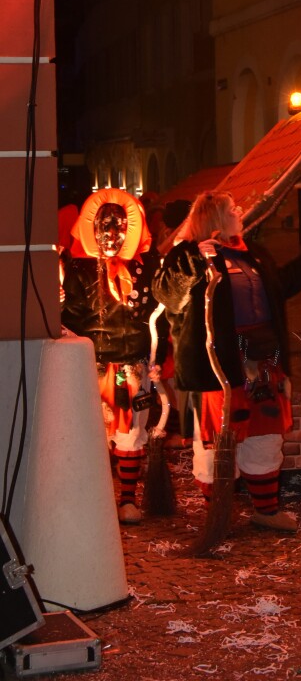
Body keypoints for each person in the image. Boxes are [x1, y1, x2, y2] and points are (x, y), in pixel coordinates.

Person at [151, 190, 301, 532]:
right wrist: (195, 260)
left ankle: (265, 510)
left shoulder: (253, 254)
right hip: (217, 366)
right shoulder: (186, 254)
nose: (240, 210)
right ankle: (216, 515)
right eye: (232, 208)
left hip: (263, 357)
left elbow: (279, 286)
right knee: (217, 442)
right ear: (215, 218)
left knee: (265, 435)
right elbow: (168, 295)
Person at [61, 188, 163, 524]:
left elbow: (158, 316)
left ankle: (127, 499)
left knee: (131, 432)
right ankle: (96, 497)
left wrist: (160, 359)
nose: (111, 234)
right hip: (91, 364)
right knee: (93, 433)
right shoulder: (75, 268)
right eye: (104, 226)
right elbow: (68, 318)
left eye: (118, 227)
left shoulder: (146, 265)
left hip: (133, 362)